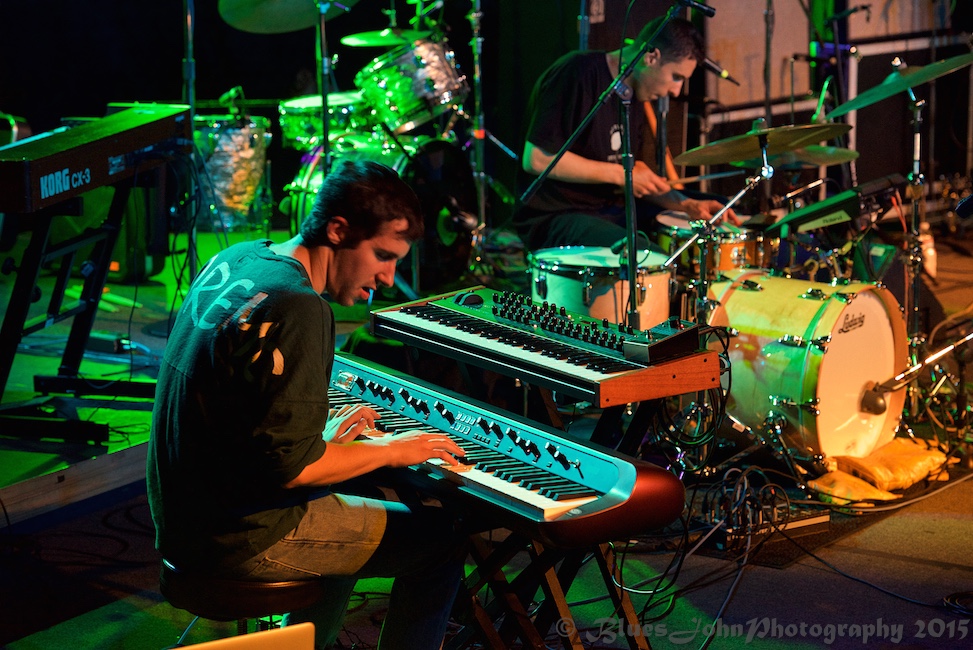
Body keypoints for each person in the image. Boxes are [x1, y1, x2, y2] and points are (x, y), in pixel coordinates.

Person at [147, 159, 469, 650]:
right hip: (239, 536)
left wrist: (323, 441)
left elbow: (243, 421)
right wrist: (396, 450)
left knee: (350, 499)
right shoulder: (300, 306)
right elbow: (295, 472)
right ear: (338, 230)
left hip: (184, 518)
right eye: (382, 255)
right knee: (440, 541)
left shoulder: (238, 260)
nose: (388, 277)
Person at [515, 15, 739, 253]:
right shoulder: (577, 72)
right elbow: (537, 159)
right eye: (676, 77)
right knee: (648, 258)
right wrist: (622, 173)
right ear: (651, 57)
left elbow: (631, 181)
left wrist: (685, 204)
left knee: (721, 211)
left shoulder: (632, 95)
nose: (676, 91)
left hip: (610, 207)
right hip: (556, 214)